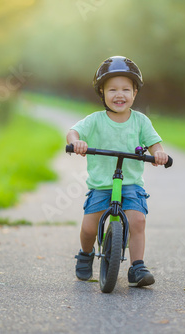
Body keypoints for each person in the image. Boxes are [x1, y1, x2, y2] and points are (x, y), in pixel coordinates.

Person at [67, 56, 169, 287]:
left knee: (138, 221)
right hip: (102, 185)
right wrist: (77, 142)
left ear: (135, 93)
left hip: (131, 184)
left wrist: (159, 153)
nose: (119, 94)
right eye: (112, 89)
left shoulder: (141, 122)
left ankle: (137, 267)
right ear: (102, 93)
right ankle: (85, 254)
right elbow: (74, 131)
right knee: (89, 227)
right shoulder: (95, 120)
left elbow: (154, 143)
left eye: (125, 89)